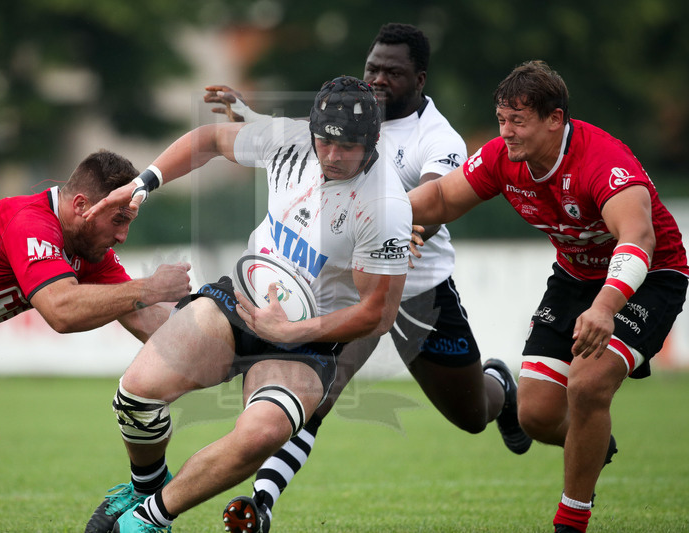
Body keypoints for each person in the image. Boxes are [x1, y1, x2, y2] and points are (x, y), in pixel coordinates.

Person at [204, 23, 530, 531]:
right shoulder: (351, 115)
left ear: (419, 78)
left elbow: (438, 194)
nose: (377, 79)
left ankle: (500, 387)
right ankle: (261, 501)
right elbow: (298, 136)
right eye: (372, 68)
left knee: (470, 416)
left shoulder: (436, 137)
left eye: (392, 72)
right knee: (318, 392)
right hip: (347, 287)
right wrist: (250, 117)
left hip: (420, 295)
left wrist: (411, 224)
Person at [82, 76, 412, 533]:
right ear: (311, 129)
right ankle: (144, 486)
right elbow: (212, 139)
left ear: (373, 140)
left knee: (261, 435)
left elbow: (379, 312)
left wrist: (292, 332)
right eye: (325, 141)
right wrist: (144, 183)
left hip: (307, 341)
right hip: (237, 300)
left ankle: (147, 520)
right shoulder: (292, 142)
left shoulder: (385, 206)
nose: (333, 155)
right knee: (136, 394)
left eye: (349, 146)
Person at [407, 60, 688, 533]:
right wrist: (374, 217)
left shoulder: (603, 161)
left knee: (587, 384)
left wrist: (604, 307)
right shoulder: (502, 157)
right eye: (501, 120)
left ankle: (570, 521)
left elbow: (638, 239)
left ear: (554, 119)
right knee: (535, 416)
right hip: (575, 276)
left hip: (650, 275)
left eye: (518, 121)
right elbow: (439, 200)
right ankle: (595, 442)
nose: (506, 132)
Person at [0, 149, 192, 533]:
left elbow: (148, 320)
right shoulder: (31, 223)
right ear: (82, 205)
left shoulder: (88, 250)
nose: (122, 235)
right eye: (118, 220)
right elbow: (61, 311)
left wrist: (229, 341)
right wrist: (149, 287)